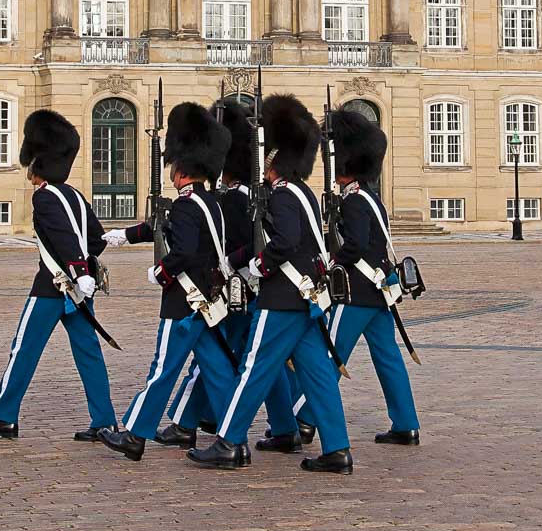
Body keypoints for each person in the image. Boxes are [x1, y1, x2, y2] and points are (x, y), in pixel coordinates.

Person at [187, 94, 353, 474]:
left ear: (274, 157)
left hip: (282, 299)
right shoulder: (301, 192)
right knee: (317, 375)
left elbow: (284, 242)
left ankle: (229, 441)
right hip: (304, 298)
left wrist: (257, 268)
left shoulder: (281, 196)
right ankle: (337, 448)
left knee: (253, 369)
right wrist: (239, 259)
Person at [99, 102, 241, 463]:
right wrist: (124, 236)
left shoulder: (187, 205)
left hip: (185, 300)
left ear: (181, 170)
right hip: (208, 300)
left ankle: (134, 434)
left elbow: (183, 251)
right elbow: (163, 228)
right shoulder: (209, 202)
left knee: (162, 370)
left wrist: (160, 272)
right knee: (219, 371)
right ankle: (233, 437)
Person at [0, 110, 118, 441]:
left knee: (23, 349)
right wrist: (84, 269)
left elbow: (64, 238)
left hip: (52, 288)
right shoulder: (75, 197)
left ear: (36, 166)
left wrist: (76, 269)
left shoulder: (44, 198)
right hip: (79, 292)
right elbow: (95, 237)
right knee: (89, 353)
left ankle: (5, 416)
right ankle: (104, 419)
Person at [286, 107, 421, 445]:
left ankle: (304, 417)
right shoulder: (370, 198)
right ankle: (406, 423)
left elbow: (357, 246)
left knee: (329, 355)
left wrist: (332, 260)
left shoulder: (354, 202)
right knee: (388, 357)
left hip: (355, 292)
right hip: (378, 291)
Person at [158, 97, 255, 447]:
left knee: (217, 360)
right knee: (230, 359)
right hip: (238, 287)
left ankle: (196, 424)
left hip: (235, 288)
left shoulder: (231, 200)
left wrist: (230, 265)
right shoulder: (231, 197)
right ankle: (288, 425)